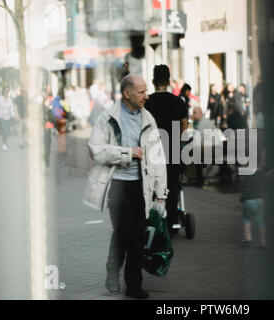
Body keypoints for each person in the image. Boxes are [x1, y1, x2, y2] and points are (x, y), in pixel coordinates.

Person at [83, 74, 168, 299]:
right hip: (117, 185)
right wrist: (127, 153)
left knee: (137, 236)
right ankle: (113, 273)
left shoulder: (148, 118)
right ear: (126, 93)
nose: (146, 96)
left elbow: (157, 157)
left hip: (141, 186)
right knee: (123, 233)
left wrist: (161, 192)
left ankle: (133, 286)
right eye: (141, 92)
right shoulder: (107, 117)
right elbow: (95, 149)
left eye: (146, 91)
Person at [145, 65, 188, 234]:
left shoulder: (146, 102)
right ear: (169, 82)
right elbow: (184, 128)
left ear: (153, 81)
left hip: (152, 152)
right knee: (172, 186)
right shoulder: (178, 102)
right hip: (172, 151)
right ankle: (171, 223)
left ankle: (154, 221)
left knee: (152, 186)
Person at [240, 169, 266, 247]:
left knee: (246, 218)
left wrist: (241, 200)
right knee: (260, 221)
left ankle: (248, 237)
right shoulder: (261, 173)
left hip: (249, 200)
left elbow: (245, 189)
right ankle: (263, 241)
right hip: (260, 200)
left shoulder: (248, 173)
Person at [192, 106, 216, 185]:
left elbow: (197, 139)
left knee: (193, 151)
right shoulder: (202, 121)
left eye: (195, 113)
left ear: (200, 113)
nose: (193, 115)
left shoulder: (203, 123)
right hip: (212, 146)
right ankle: (196, 176)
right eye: (193, 113)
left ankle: (198, 177)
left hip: (212, 147)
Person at [0, 86, 17, 151]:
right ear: (3, 91)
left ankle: (5, 142)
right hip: (1, 117)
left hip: (8, 117)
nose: (6, 92)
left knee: (6, 131)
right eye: (5, 91)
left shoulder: (10, 99)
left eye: (7, 91)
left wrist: (13, 115)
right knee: (4, 130)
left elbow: (11, 108)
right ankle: (4, 144)